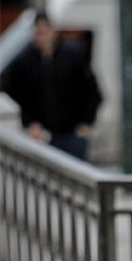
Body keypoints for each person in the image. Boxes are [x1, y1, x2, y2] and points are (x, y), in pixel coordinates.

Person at [0, 12, 102, 161]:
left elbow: (92, 91)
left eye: (44, 32)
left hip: (72, 132)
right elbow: (14, 90)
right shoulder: (24, 61)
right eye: (38, 33)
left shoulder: (73, 56)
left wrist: (86, 122)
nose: (41, 37)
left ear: (53, 30)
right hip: (43, 134)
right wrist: (30, 122)